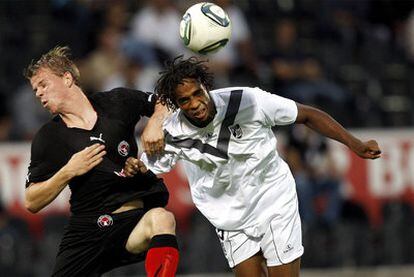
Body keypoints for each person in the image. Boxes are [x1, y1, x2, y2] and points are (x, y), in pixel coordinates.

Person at [128, 56, 381, 276]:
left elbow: (307, 115)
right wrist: (135, 165)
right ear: (176, 104)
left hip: (273, 199)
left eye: (197, 94)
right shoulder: (170, 132)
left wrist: (354, 143)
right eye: (184, 101)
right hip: (228, 216)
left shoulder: (247, 101)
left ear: (206, 87)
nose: (194, 104)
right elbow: (144, 169)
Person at [23, 46, 179, 277]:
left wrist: (155, 123)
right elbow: (31, 201)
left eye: (43, 85)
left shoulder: (117, 101)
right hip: (86, 230)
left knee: (163, 219)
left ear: (67, 78)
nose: (38, 94)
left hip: (130, 221)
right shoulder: (48, 137)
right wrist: (68, 171)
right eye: (35, 89)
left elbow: (166, 101)